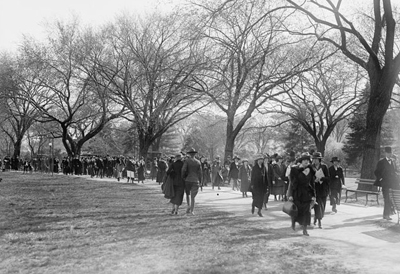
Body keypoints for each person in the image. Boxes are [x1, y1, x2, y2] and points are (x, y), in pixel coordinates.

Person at [288, 153, 316, 236]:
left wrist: (314, 195)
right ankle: (293, 222)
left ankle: (305, 229)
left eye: (307, 160)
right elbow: (292, 183)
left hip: (307, 194)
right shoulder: (294, 170)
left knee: (307, 212)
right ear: (301, 161)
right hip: (297, 193)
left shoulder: (310, 170)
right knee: (297, 211)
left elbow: (312, 183)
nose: (306, 161)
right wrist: (290, 195)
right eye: (304, 160)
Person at [374, 147, 399, 220]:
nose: (389, 154)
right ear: (385, 153)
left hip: (393, 183)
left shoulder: (393, 162)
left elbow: (395, 171)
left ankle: (391, 211)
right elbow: (376, 172)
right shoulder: (381, 162)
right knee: (387, 199)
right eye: (388, 153)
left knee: (395, 198)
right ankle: (386, 215)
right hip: (385, 184)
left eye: (390, 153)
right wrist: (381, 179)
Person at [182, 148, 202, 215]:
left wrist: (183, 177)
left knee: (188, 194)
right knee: (193, 196)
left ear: (189, 154)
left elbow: (183, 170)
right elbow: (200, 173)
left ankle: (188, 205)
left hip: (188, 179)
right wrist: (201, 181)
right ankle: (192, 210)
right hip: (195, 180)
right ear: (195, 154)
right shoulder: (198, 162)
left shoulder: (187, 161)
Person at [312, 152, 330, 228]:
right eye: (313, 159)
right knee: (317, 205)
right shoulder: (311, 167)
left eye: (316, 159)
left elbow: (328, 178)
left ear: (319, 160)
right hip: (315, 189)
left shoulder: (324, 167)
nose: (314, 161)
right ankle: (319, 221)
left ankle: (317, 217)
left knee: (323, 205)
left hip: (323, 189)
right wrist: (314, 179)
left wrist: (321, 178)